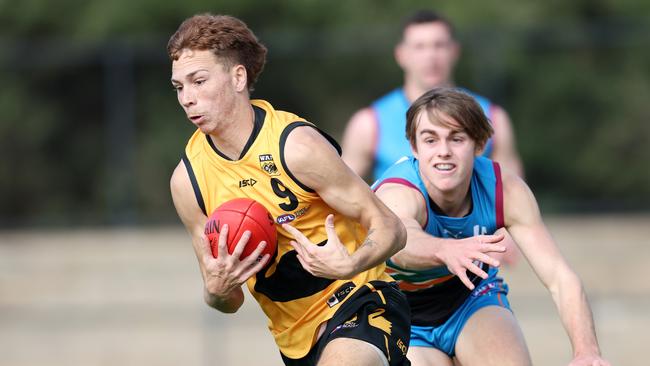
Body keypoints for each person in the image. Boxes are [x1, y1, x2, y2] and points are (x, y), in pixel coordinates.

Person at [167, 14, 411, 366]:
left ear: (238, 77)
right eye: (179, 87)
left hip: (362, 298)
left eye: (199, 81)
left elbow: (391, 227)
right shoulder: (188, 182)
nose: (187, 98)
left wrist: (352, 262)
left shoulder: (295, 146)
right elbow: (228, 299)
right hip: (294, 339)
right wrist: (214, 291)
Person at [373, 88, 609, 366]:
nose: (443, 152)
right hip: (399, 309)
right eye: (430, 140)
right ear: (414, 147)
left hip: (469, 297)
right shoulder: (398, 192)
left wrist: (587, 353)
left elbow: (559, 277)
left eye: (457, 138)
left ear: (479, 144)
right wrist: (444, 250)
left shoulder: (504, 190)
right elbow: (401, 241)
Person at [342, 10, 522, 266]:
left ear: (454, 51)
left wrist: (508, 234)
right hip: (398, 266)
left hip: (470, 265)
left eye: (439, 45)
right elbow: (344, 192)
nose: (431, 56)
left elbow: (509, 183)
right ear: (401, 55)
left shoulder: (493, 116)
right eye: (420, 47)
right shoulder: (369, 123)